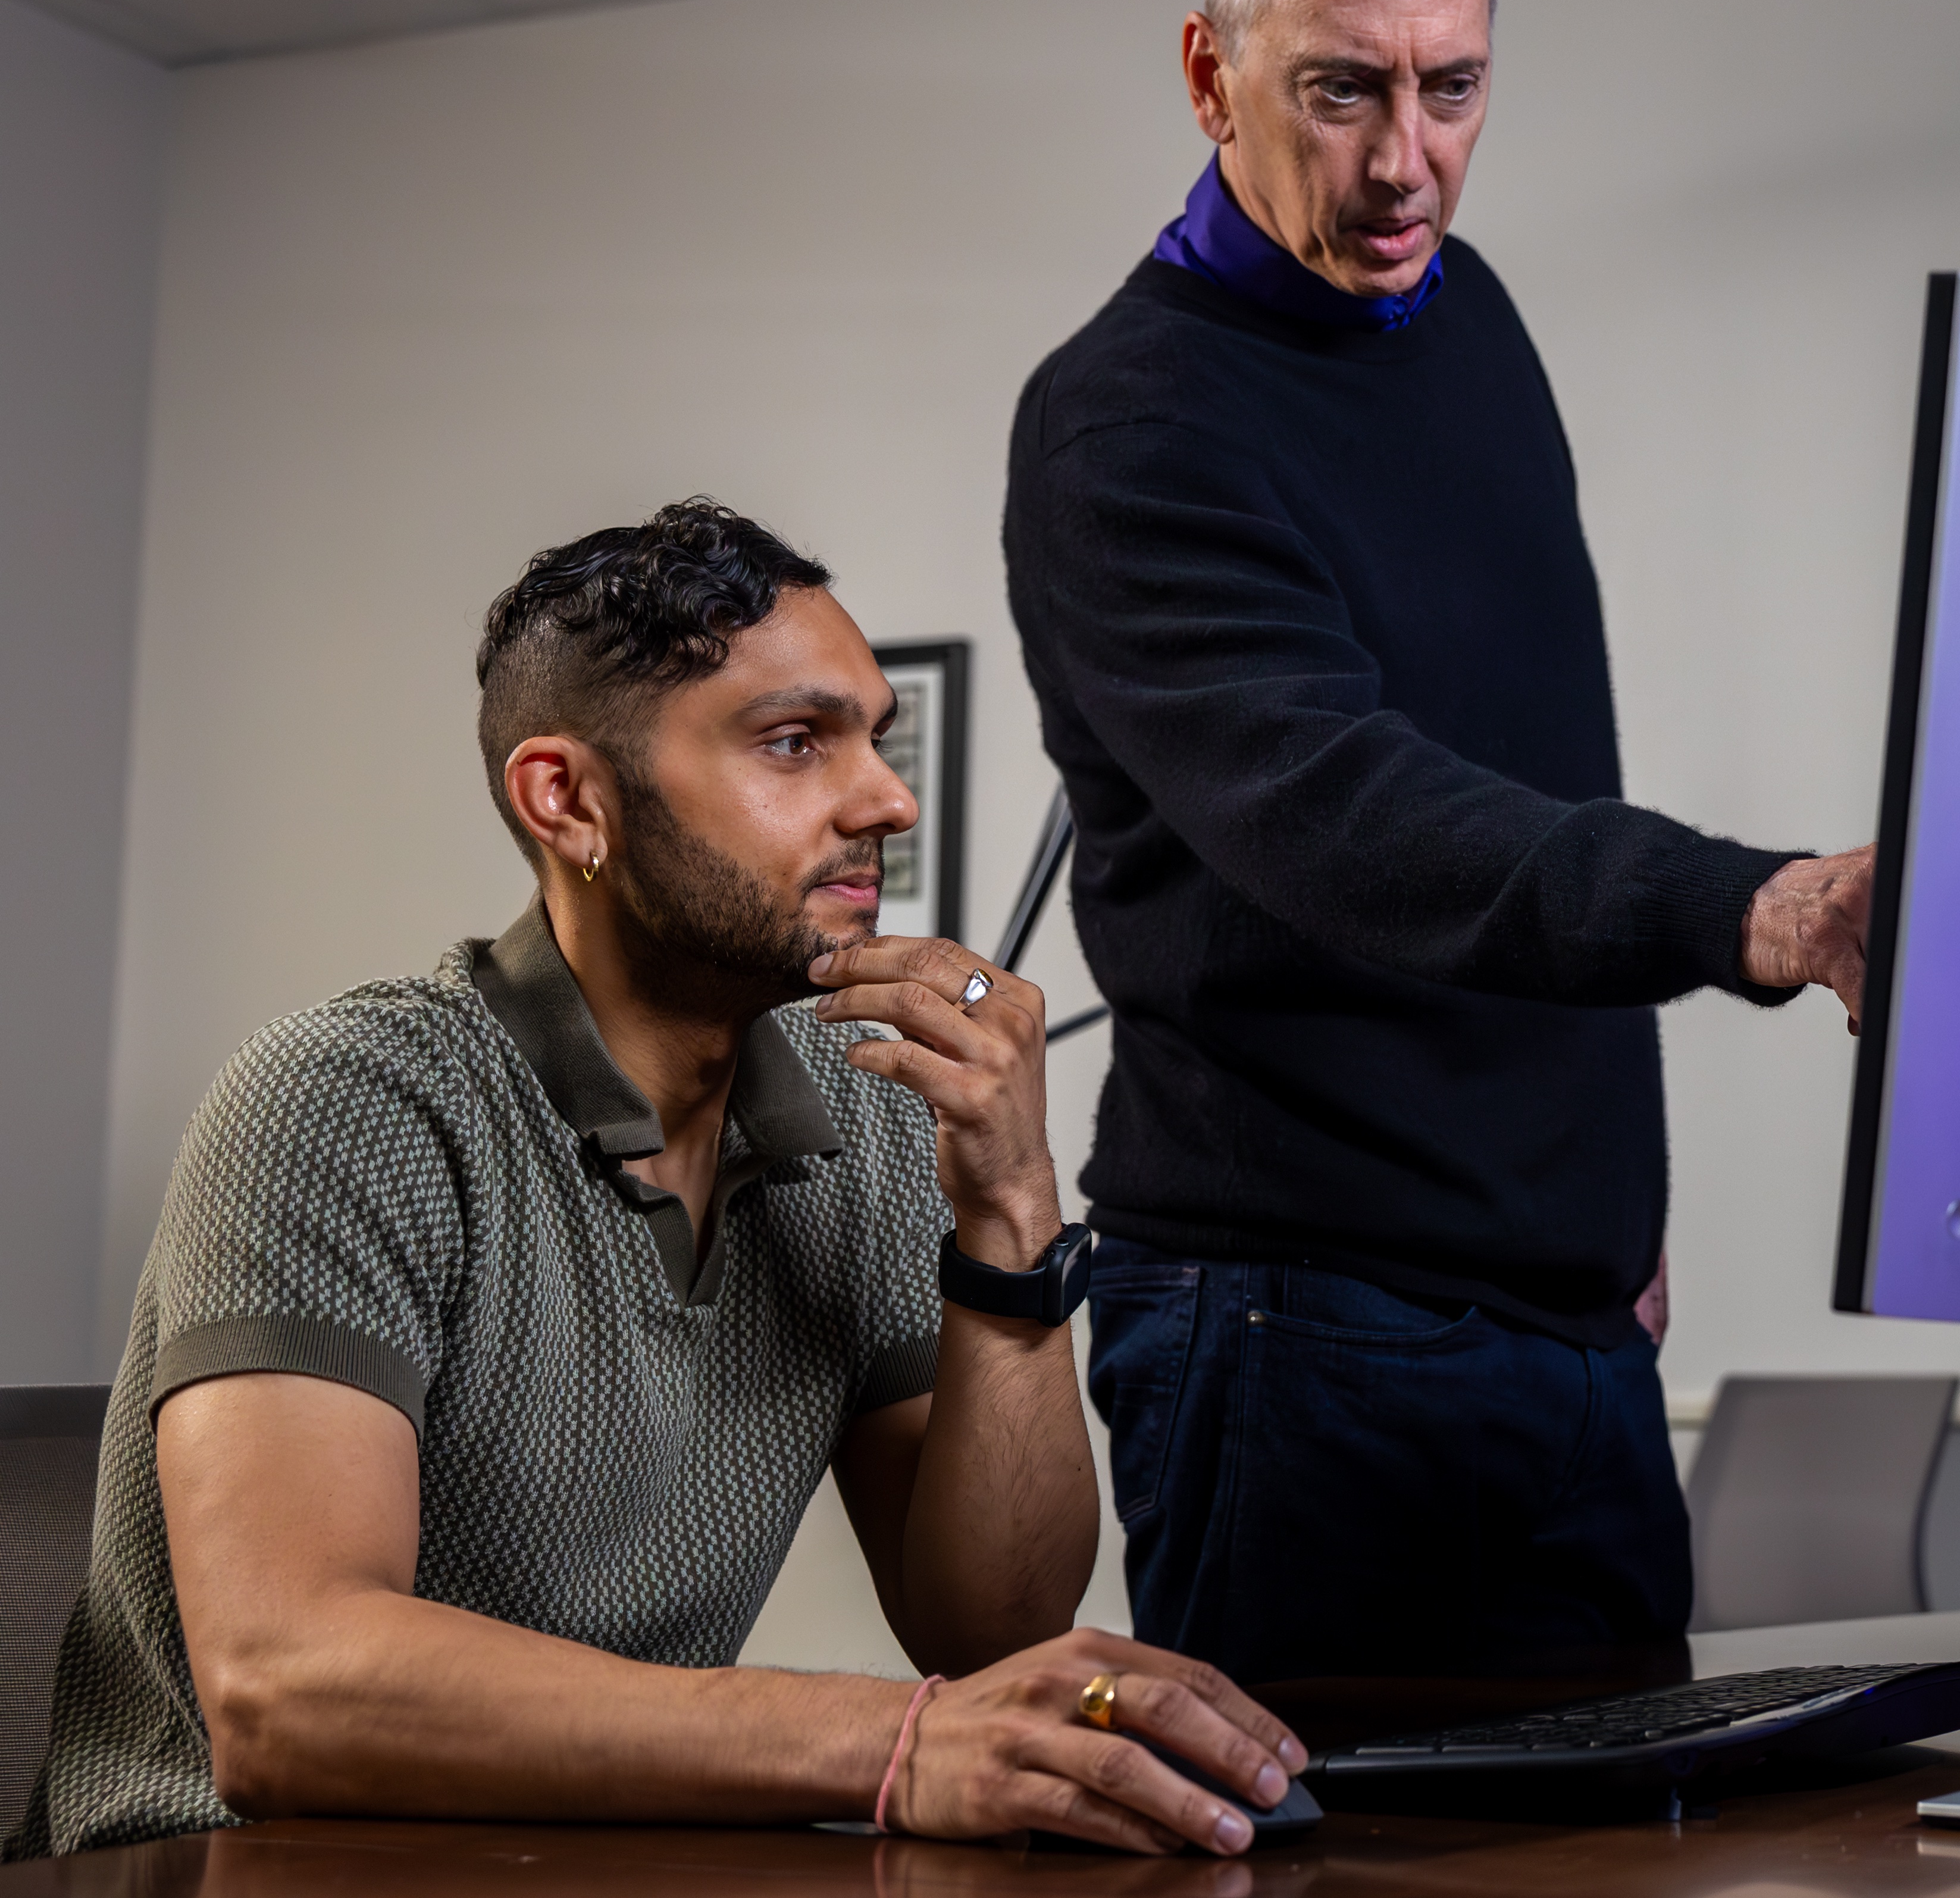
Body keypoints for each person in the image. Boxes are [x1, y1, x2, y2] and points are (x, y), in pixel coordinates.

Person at [7, 503, 1298, 1862]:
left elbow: (994, 1633)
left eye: (877, 739)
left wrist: (1011, 1214)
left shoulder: (859, 1122)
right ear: (567, 799)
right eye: (796, 743)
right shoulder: (348, 1100)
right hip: (232, 1871)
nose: (886, 804)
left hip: (601, 1864)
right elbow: (288, 1691)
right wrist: (892, 1744)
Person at [1001, 0, 1874, 1685]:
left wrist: (1601, 1209)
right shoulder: (1126, 428)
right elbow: (1358, 821)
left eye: (1453, 87)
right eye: (1341, 91)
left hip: (1567, 1328)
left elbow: (1535, 774)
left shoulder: (1468, 321)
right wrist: (1764, 911)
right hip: (1287, 1328)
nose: (1409, 165)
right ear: (1206, 70)